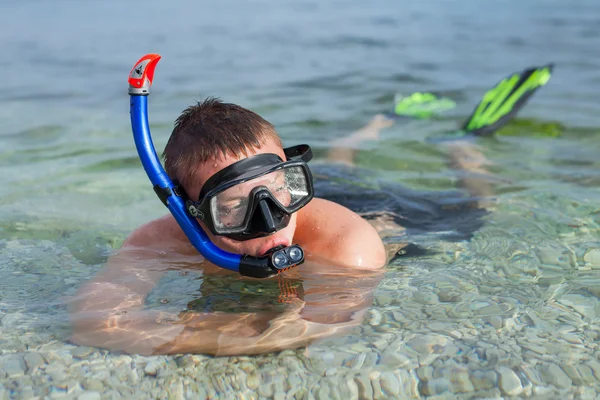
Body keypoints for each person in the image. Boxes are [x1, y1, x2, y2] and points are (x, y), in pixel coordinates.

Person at [69, 65, 552, 355]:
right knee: (343, 169)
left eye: (280, 193)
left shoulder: (352, 251)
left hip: (387, 218)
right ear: (191, 213)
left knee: (477, 207)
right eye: (234, 209)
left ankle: (460, 146)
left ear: (292, 181)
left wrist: (191, 331)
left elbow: (315, 326)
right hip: (315, 201)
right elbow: (92, 321)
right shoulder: (160, 239)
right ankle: (370, 128)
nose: (272, 220)